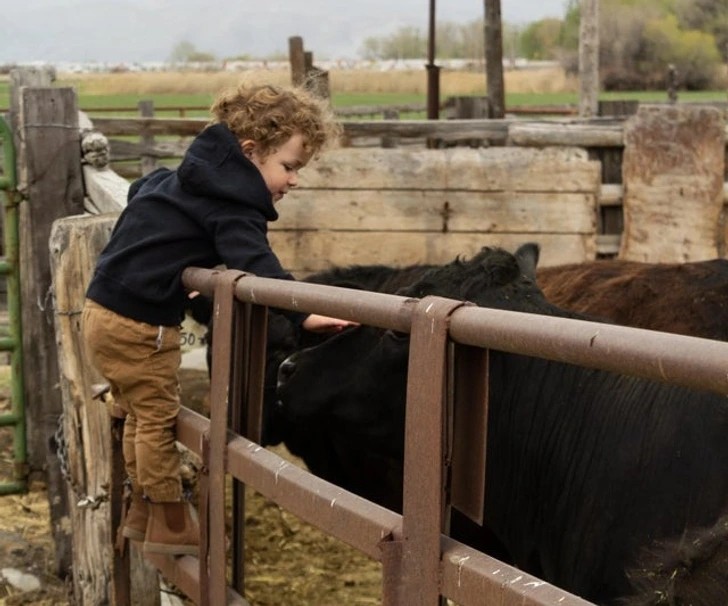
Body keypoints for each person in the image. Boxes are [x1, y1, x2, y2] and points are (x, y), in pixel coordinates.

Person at [81, 83, 356, 557]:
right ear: (250, 153)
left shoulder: (184, 176)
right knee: (157, 417)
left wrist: (178, 256)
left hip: (100, 310)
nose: (293, 181)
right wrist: (304, 312)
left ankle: (141, 512)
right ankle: (168, 518)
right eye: (288, 167)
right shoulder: (233, 203)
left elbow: (139, 190)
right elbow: (258, 265)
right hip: (139, 325)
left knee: (133, 411)